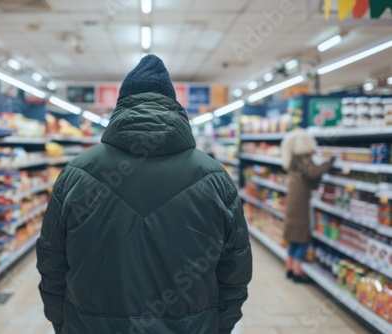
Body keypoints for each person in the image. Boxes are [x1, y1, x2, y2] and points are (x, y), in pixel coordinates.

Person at [36, 55, 252, 334]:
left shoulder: (76, 174)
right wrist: (215, 326)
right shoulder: (214, 178)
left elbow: (51, 263)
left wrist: (64, 323)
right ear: (175, 107)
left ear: (120, 107)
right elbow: (235, 271)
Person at [281, 129, 334, 284]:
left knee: (293, 239)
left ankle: (289, 268)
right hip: (300, 206)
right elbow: (313, 173)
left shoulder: (292, 159)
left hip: (293, 203)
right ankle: (297, 271)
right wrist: (329, 163)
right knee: (303, 238)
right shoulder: (304, 159)